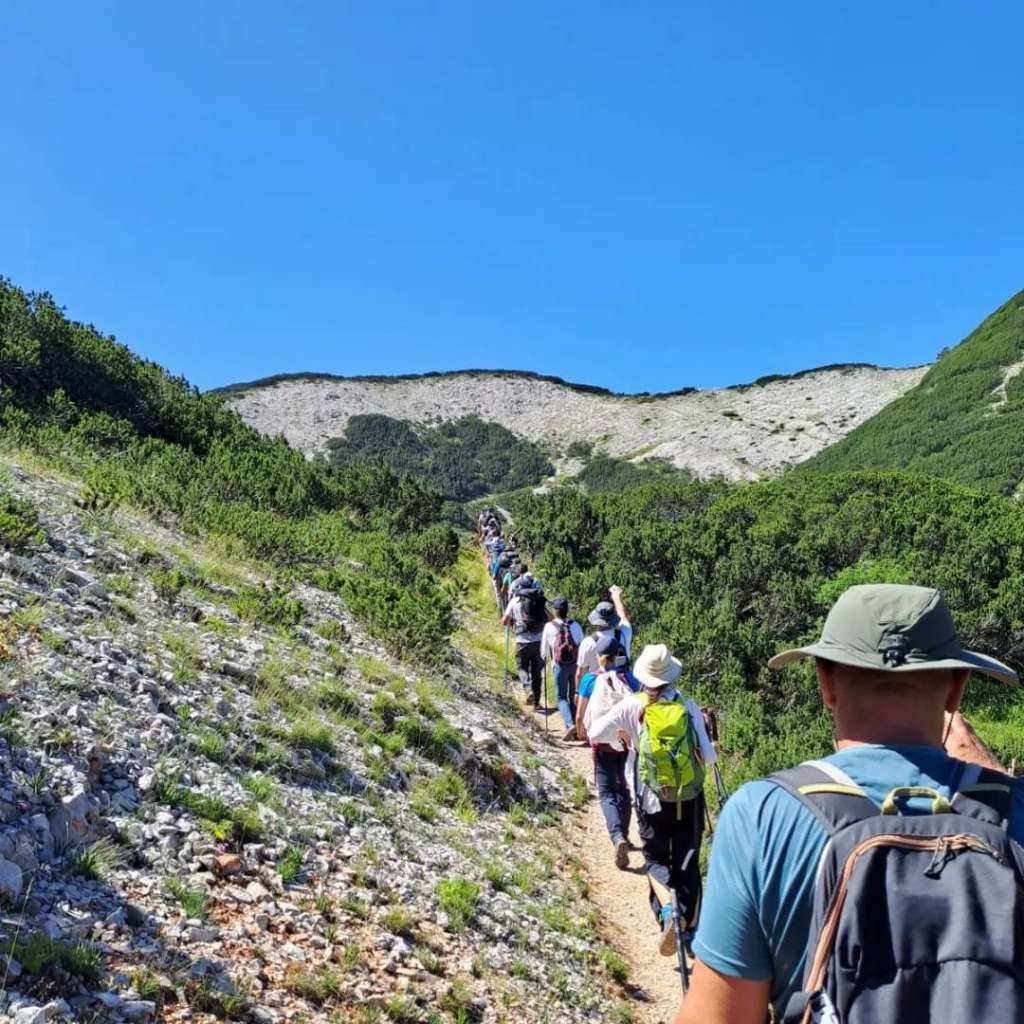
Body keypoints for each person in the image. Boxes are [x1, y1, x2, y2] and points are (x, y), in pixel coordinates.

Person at [676, 584, 1024, 1024]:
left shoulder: (762, 816)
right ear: (958, 689)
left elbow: (719, 1017)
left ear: (826, 683)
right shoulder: (1014, 810)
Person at [587, 643, 716, 952]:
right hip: (689, 798)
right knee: (688, 860)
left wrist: (623, 742)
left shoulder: (631, 706)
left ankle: (669, 913)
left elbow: (593, 733)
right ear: (672, 675)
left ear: (643, 676)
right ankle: (691, 931)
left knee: (655, 858)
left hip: (649, 797)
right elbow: (709, 757)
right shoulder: (688, 705)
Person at [578, 634, 641, 868]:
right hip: (624, 742)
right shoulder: (629, 679)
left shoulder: (589, 680)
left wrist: (580, 731)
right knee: (624, 787)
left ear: (598, 656)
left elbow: (581, 712)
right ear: (617, 655)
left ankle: (616, 836)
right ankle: (624, 832)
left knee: (606, 792)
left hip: (601, 744)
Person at [575, 586, 633, 732]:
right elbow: (623, 616)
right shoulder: (625, 634)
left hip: (597, 685)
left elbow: (580, 672)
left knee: (597, 720)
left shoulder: (588, 642)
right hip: (623, 682)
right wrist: (616, 597)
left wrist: (578, 692)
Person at [541, 597, 584, 742]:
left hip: (559, 666)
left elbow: (544, 652)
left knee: (561, 697)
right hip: (575, 664)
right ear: (567, 610)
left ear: (555, 610)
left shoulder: (549, 626)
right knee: (574, 696)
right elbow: (581, 645)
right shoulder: (575, 625)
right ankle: (577, 730)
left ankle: (570, 724)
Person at [501, 576, 548, 707]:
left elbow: (504, 621)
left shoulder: (515, 601)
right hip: (539, 642)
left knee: (521, 667)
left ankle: (527, 689)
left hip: (522, 641)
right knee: (537, 672)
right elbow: (551, 618)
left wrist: (513, 624)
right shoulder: (538, 601)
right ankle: (537, 703)